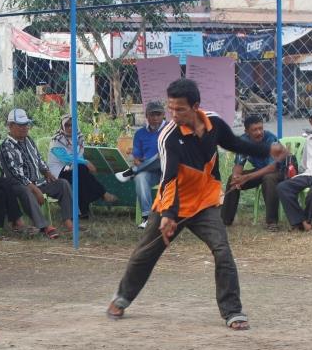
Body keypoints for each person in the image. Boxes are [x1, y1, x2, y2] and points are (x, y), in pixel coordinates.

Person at [106, 78, 286, 330]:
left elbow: (235, 144)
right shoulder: (168, 136)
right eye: (171, 109)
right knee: (146, 252)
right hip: (173, 202)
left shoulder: (213, 123)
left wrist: (267, 150)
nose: (174, 114)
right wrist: (168, 214)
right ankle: (123, 297)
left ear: (195, 106)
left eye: (180, 109)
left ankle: (232, 311)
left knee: (222, 250)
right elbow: (168, 178)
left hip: (204, 201)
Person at [0, 108, 72, 237]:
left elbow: (39, 159)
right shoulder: (6, 146)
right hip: (16, 186)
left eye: (26, 124)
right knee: (26, 190)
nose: (24, 128)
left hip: (36, 182)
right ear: (10, 126)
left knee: (62, 184)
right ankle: (44, 226)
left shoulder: (29, 141)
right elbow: (15, 173)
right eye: (20, 125)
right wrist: (34, 189)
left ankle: (69, 221)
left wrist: (47, 172)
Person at [220, 114, 284, 231]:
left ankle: (272, 222)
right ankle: (225, 220)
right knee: (232, 179)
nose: (259, 132)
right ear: (246, 131)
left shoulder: (270, 139)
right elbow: (239, 164)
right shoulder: (244, 141)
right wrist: (237, 177)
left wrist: (248, 177)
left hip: (279, 171)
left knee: (268, 179)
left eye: (261, 128)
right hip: (260, 170)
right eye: (255, 130)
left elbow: (272, 168)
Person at [47, 115, 117, 220]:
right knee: (81, 170)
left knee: (81, 173)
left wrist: (84, 163)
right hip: (57, 173)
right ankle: (102, 193)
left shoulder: (78, 138)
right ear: (62, 126)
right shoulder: (56, 140)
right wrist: (86, 162)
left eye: (72, 125)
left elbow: (79, 157)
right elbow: (65, 159)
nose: (70, 128)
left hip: (72, 170)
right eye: (67, 125)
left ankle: (83, 211)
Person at [115, 100, 166, 228]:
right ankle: (147, 217)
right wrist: (138, 162)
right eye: (152, 114)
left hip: (169, 168)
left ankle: (131, 171)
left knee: (161, 156)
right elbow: (137, 158)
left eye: (158, 114)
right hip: (150, 170)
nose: (155, 118)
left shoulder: (169, 129)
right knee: (140, 177)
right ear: (147, 116)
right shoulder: (140, 133)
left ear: (163, 115)